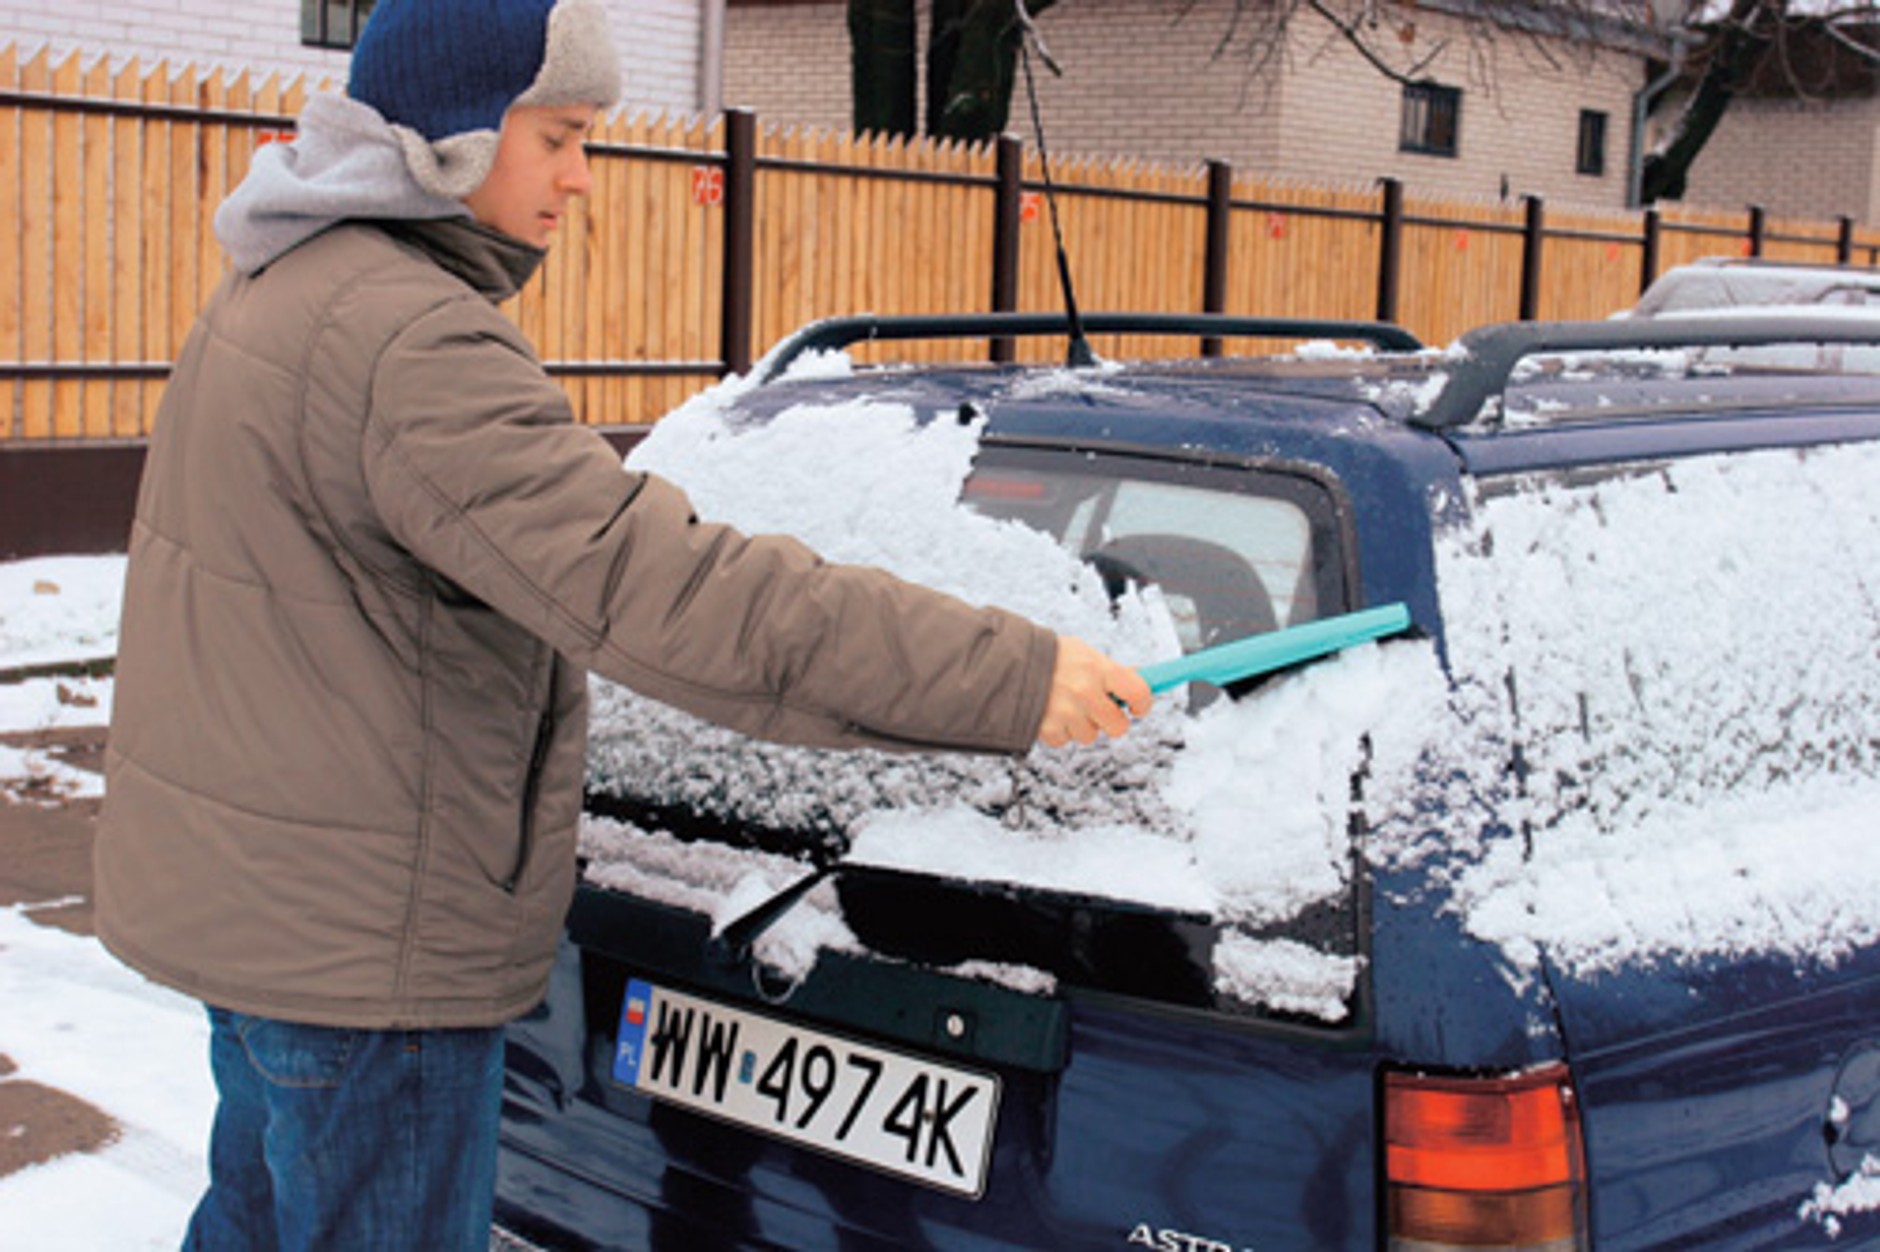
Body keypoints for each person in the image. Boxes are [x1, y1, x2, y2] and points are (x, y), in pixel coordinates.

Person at [91, 1, 1151, 1248]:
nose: (581, 178)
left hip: (267, 921)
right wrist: (1007, 673)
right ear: (453, 139)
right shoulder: (409, 339)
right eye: (558, 136)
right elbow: (667, 590)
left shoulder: (281, 285)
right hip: (368, 960)